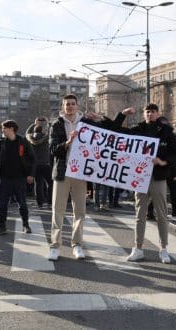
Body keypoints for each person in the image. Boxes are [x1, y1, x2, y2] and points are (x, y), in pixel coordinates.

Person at [48, 94, 122, 261]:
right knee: (57, 210)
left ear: (77, 106)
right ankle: (55, 246)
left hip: (81, 172)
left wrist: (99, 117)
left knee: (79, 211)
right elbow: (53, 150)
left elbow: (111, 132)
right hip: (62, 172)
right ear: (63, 106)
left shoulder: (86, 122)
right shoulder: (56, 124)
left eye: (73, 104)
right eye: (67, 104)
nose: (70, 107)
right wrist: (67, 142)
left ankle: (77, 245)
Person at [122, 104, 176, 264]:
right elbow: (118, 134)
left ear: (157, 113)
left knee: (161, 214)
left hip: (158, 177)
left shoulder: (166, 131)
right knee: (139, 214)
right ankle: (138, 248)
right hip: (140, 176)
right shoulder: (138, 129)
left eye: (153, 111)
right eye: (148, 111)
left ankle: (163, 249)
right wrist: (123, 115)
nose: (150, 114)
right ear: (144, 113)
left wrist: (163, 161)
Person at [0, 120, 35, 235]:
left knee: (22, 203)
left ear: (11, 129)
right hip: (4, 178)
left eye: (4, 128)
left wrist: (31, 174)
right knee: (2, 204)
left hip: (20, 178)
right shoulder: (1, 142)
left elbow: (33, 158)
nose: (2, 130)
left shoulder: (23, 141)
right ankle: (1, 227)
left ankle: (26, 225)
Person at [26, 117, 53, 208]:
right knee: (50, 183)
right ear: (42, 130)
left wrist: (34, 123)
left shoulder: (30, 138)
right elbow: (50, 131)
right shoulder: (45, 137)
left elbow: (27, 133)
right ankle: (49, 201)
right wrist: (48, 122)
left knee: (38, 184)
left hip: (35, 165)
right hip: (45, 164)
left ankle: (39, 203)